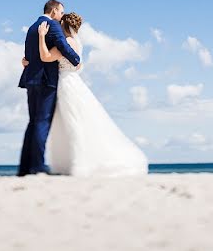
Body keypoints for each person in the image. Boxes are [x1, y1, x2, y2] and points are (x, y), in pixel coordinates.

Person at [28, 11, 148, 177]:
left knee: (71, 123)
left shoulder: (65, 43)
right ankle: (73, 161)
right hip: (74, 81)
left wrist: (42, 36)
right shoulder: (77, 43)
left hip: (64, 84)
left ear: (62, 24)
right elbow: (77, 66)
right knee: (75, 121)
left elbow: (46, 57)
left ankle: (78, 162)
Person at [17, 0, 80, 176]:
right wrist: (77, 60)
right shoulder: (51, 25)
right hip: (46, 81)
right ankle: (37, 166)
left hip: (31, 80)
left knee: (33, 123)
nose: (61, 16)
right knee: (42, 122)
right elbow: (63, 46)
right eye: (60, 12)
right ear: (53, 11)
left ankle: (25, 167)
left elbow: (29, 55)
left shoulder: (31, 27)